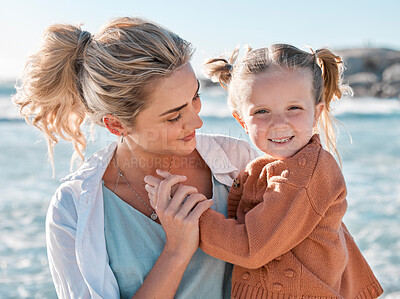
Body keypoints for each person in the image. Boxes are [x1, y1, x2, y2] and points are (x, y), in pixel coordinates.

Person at [12, 17, 259, 298]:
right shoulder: (72, 211)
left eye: (195, 98)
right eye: (175, 116)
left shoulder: (241, 162)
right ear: (116, 125)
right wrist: (176, 252)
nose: (197, 121)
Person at [145, 44, 384, 298]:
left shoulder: (307, 173)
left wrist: (190, 216)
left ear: (317, 113)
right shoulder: (271, 168)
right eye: (262, 111)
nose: (279, 122)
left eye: (294, 108)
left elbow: (251, 248)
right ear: (242, 122)